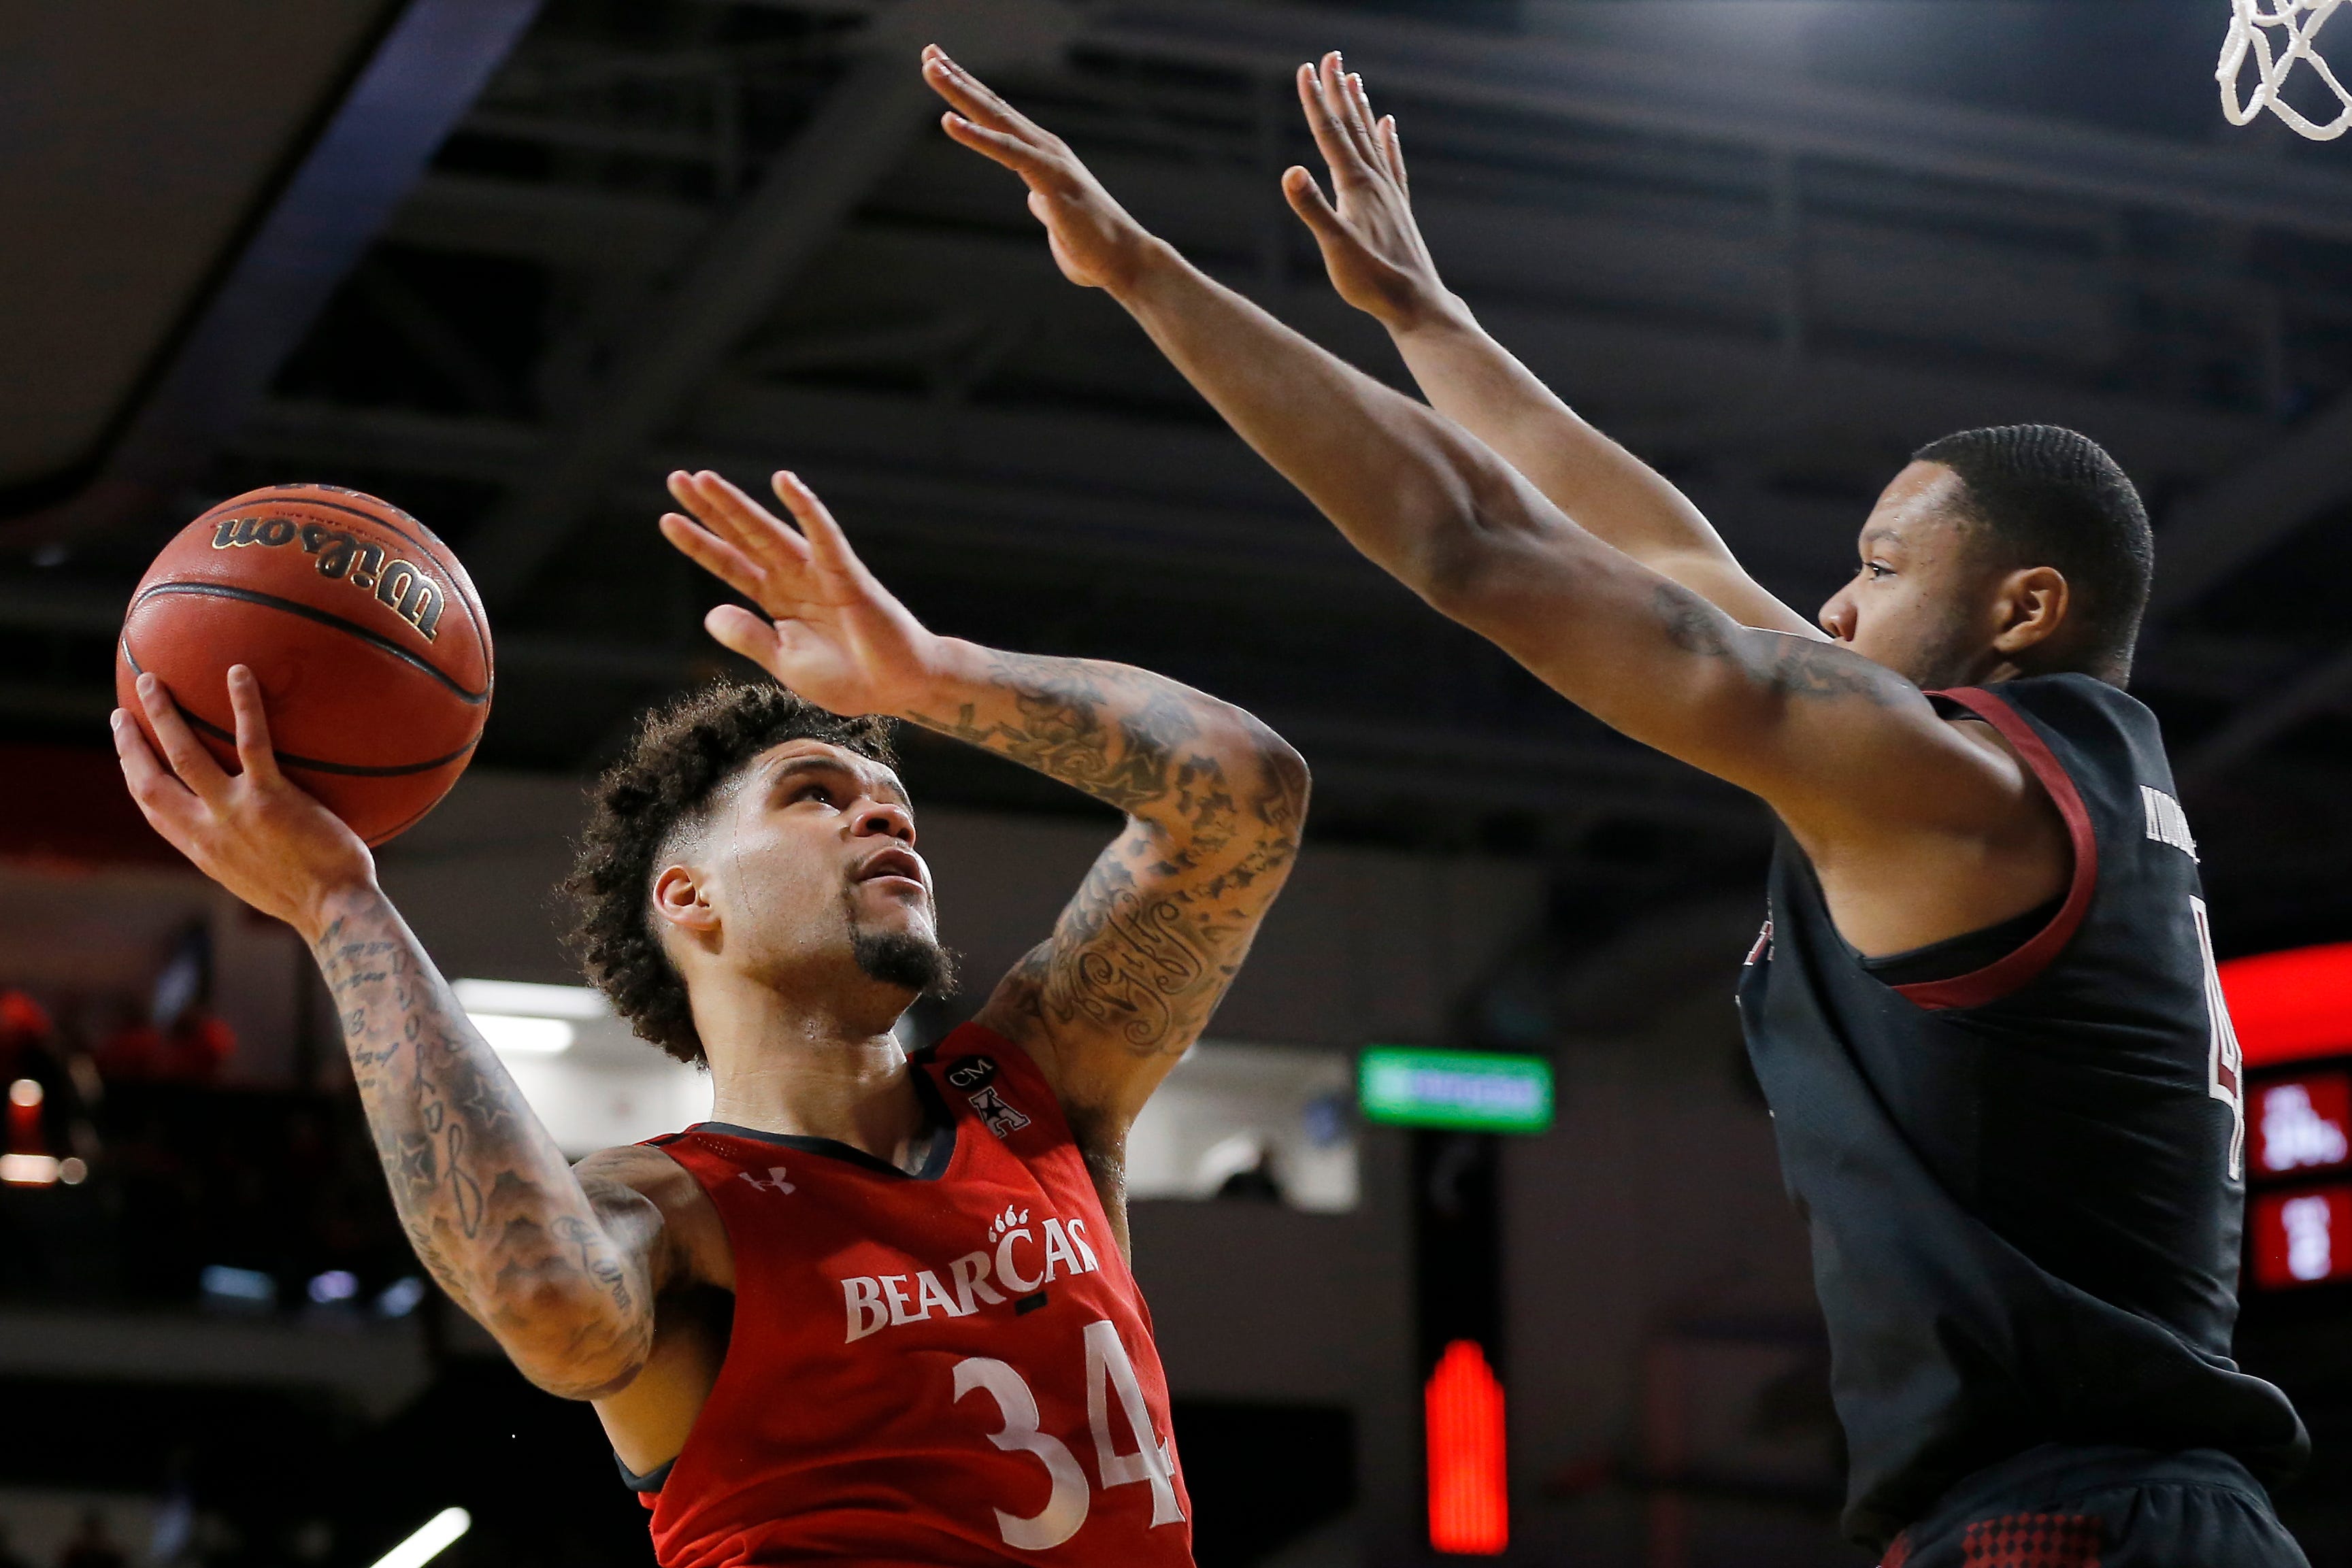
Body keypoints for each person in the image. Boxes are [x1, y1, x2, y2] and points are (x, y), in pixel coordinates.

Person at [918, 44, 2310, 1568]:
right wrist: (1424, 318)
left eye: (1881, 568)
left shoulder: (1946, 790)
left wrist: (1141, 270)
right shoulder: (2068, 782)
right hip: (2145, 1508)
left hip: (2073, 1517)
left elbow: (1471, 545)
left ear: (2023, 606)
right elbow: (1671, 559)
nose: (1834, 608)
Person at [112, 466, 1308, 1567]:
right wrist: (341, 907)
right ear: (688, 897)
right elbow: (547, 1302)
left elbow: (1246, 792)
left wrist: (930, 674)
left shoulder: (1037, 1091)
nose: (883, 816)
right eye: (814, 794)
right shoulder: (672, 1209)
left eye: (894, 803)